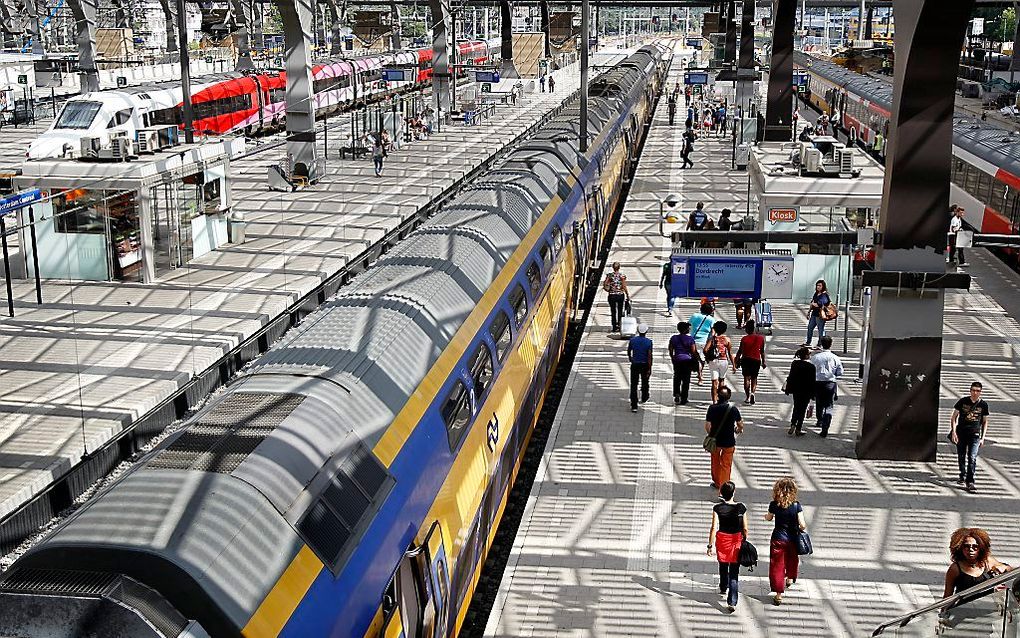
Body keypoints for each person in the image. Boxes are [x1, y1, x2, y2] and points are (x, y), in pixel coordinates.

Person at [765, 477, 807, 606]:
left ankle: (778, 595)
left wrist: (766, 517)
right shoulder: (796, 505)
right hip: (793, 539)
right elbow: (803, 525)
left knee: (777, 565)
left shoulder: (774, 504)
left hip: (778, 538)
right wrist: (798, 528)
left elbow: (769, 518)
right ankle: (789, 578)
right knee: (792, 559)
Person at [707, 481, 748, 612]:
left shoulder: (717, 508)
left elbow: (714, 528)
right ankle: (732, 601)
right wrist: (744, 540)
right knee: (734, 572)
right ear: (734, 492)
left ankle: (723, 586)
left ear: (721, 494)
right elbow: (745, 528)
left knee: (723, 565)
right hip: (736, 541)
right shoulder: (741, 508)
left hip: (722, 541)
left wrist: (709, 545)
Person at [942, 528, 1011, 601]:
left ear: (981, 548)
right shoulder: (955, 568)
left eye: (975, 546)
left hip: (988, 607)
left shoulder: (987, 561)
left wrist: (1004, 567)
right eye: (966, 546)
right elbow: (947, 596)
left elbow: (1009, 570)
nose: (971, 549)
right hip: (965, 609)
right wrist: (943, 611)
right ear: (960, 548)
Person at [949, 382, 990, 492]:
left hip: (975, 435)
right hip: (961, 433)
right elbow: (953, 418)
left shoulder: (983, 405)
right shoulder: (963, 401)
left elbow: (985, 422)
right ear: (970, 390)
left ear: (980, 392)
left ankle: (970, 481)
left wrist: (983, 437)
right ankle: (962, 474)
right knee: (961, 456)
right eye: (973, 390)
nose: (975, 393)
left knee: (972, 457)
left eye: (977, 391)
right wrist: (954, 432)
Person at [704, 386, 743, 490]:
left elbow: (707, 426)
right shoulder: (733, 409)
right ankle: (724, 487)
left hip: (715, 441)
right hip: (729, 442)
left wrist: (711, 435)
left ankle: (717, 482)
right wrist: (738, 430)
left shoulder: (712, 408)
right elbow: (740, 424)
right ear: (729, 397)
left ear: (717, 396)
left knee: (715, 462)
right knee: (726, 465)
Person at [811, 335, 843, 437]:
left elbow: (811, 370)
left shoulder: (815, 357)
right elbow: (840, 372)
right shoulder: (835, 358)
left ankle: (819, 420)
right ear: (831, 344)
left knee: (819, 403)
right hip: (830, 383)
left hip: (818, 383)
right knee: (829, 405)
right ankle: (825, 426)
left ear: (821, 344)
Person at [784, 346, 816, 436]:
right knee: (802, 409)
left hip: (796, 390)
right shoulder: (811, 367)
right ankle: (798, 428)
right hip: (806, 391)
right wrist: (813, 395)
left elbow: (791, 376)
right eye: (809, 353)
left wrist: (788, 388)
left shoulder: (795, 363)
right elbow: (812, 381)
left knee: (796, 407)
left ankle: (793, 424)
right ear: (806, 355)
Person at [735, 320, 766, 405]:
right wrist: (763, 362)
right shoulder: (761, 338)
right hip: (756, 360)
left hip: (746, 360)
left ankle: (747, 397)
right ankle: (753, 392)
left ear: (747, 329)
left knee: (746, 378)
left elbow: (740, 351)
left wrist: (736, 360)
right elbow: (762, 351)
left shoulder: (744, 339)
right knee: (754, 378)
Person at [704, 321, 736, 404]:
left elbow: (705, 350)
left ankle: (714, 401)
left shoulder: (712, 339)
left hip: (713, 361)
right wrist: (733, 365)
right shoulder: (727, 340)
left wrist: (708, 357)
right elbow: (730, 353)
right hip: (723, 361)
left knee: (714, 381)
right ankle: (721, 399)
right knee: (721, 380)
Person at [669, 321, 698, 405]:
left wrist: (673, 357)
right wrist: (696, 359)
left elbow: (671, 349)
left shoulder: (673, 338)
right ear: (686, 330)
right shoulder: (690, 339)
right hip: (687, 360)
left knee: (677, 377)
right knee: (686, 380)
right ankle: (684, 398)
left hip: (677, 360)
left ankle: (677, 393)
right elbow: (693, 351)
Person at [628, 324, 652, 413]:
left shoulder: (632, 340)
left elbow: (629, 350)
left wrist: (631, 358)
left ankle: (634, 404)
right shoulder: (649, 342)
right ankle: (644, 396)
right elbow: (649, 356)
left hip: (635, 364)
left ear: (638, 331)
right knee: (645, 381)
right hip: (645, 364)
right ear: (646, 331)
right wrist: (649, 368)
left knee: (634, 384)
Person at [689, 302, 715, 385]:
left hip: (692, 341)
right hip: (703, 342)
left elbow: (688, 325)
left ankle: (697, 373)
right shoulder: (711, 319)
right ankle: (700, 376)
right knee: (701, 360)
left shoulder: (695, 315)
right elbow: (713, 333)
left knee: (695, 358)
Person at [602, 262, 629, 334]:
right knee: (620, 311)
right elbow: (624, 286)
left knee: (613, 311)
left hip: (612, 295)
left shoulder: (610, 276)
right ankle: (620, 326)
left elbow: (604, 284)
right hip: (620, 295)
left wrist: (608, 289)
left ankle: (614, 327)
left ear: (613, 268)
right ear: (619, 267)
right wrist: (627, 295)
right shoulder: (622, 276)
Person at [805, 279, 831, 347]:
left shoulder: (824, 295)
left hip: (820, 315)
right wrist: (809, 312)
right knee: (810, 327)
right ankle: (808, 342)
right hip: (814, 314)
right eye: (817, 285)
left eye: (820, 285)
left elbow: (819, 304)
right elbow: (813, 303)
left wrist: (814, 304)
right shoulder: (816, 294)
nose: (818, 287)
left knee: (820, 330)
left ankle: (821, 344)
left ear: (823, 286)